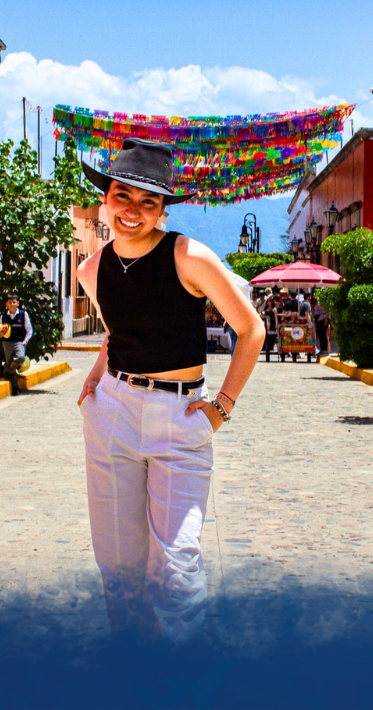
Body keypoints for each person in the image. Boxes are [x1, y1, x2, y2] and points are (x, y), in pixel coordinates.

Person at [74, 138, 266, 644]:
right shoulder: (90, 270)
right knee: (118, 565)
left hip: (180, 419)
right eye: (122, 195)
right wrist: (96, 373)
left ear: (162, 209)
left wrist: (221, 408)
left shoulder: (188, 257)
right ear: (105, 198)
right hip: (112, 414)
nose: (132, 210)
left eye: (148, 201)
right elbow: (119, 331)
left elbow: (252, 329)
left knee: (176, 570)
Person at [0, 294, 33, 389]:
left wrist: (25, 340)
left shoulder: (23, 314)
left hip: (19, 341)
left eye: (14, 302)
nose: (12, 304)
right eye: (10, 303)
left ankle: (7, 370)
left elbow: (29, 330)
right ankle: (15, 387)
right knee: (9, 363)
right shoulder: (3, 317)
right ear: (6, 304)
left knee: (20, 357)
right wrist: (1, 333)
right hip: (7, 342)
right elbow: (0, 333)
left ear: (17, 303)